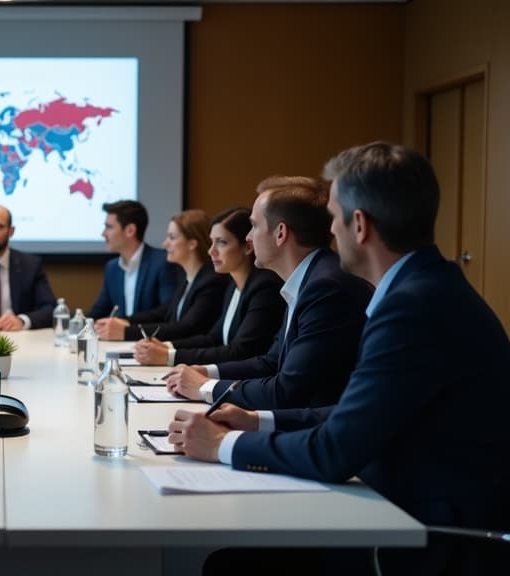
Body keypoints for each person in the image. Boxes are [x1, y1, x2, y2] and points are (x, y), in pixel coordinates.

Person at [169, 143, 510, 575]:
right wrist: (259, 422)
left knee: (231, 563)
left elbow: (336, 450)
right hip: (403, 509)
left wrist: (222, 446)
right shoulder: (427, 288)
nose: (329, 232)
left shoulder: (413, 308)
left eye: (334, 218)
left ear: (360, 225)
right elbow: (357, 414)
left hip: (424, 537)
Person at [165, 177, 373, 409]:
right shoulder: (310, 278)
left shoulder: (326, 287)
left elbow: (287, 391)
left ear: (280, 233)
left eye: (254, 226)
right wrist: (205, 371)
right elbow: (272, 362)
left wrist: (205, 387)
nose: (248, 238)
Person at [135, 207, 284, 367]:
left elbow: (241, 351)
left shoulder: (264, 287)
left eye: (221, 242)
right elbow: (214, 338)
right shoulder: (234, 285)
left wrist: (170, 356)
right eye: (212, 242)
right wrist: (167, 347)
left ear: (247, 247)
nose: (211, 251)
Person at [96, 209, 227, 341]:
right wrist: (123, 322)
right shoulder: (185, 277)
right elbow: (162, 313)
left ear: (192, 244)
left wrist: (126, 332)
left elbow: (187, 328)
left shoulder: (211, 281)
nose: (165, 243)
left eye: (172, 237)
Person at [88, 200, 177, 319]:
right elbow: (98, 312)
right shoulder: (112, 268)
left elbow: (167, 311)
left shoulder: (162, 263)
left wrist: (126, 325)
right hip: (121, 338)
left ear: (130, 230)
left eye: (109, 227)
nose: (103, 234)